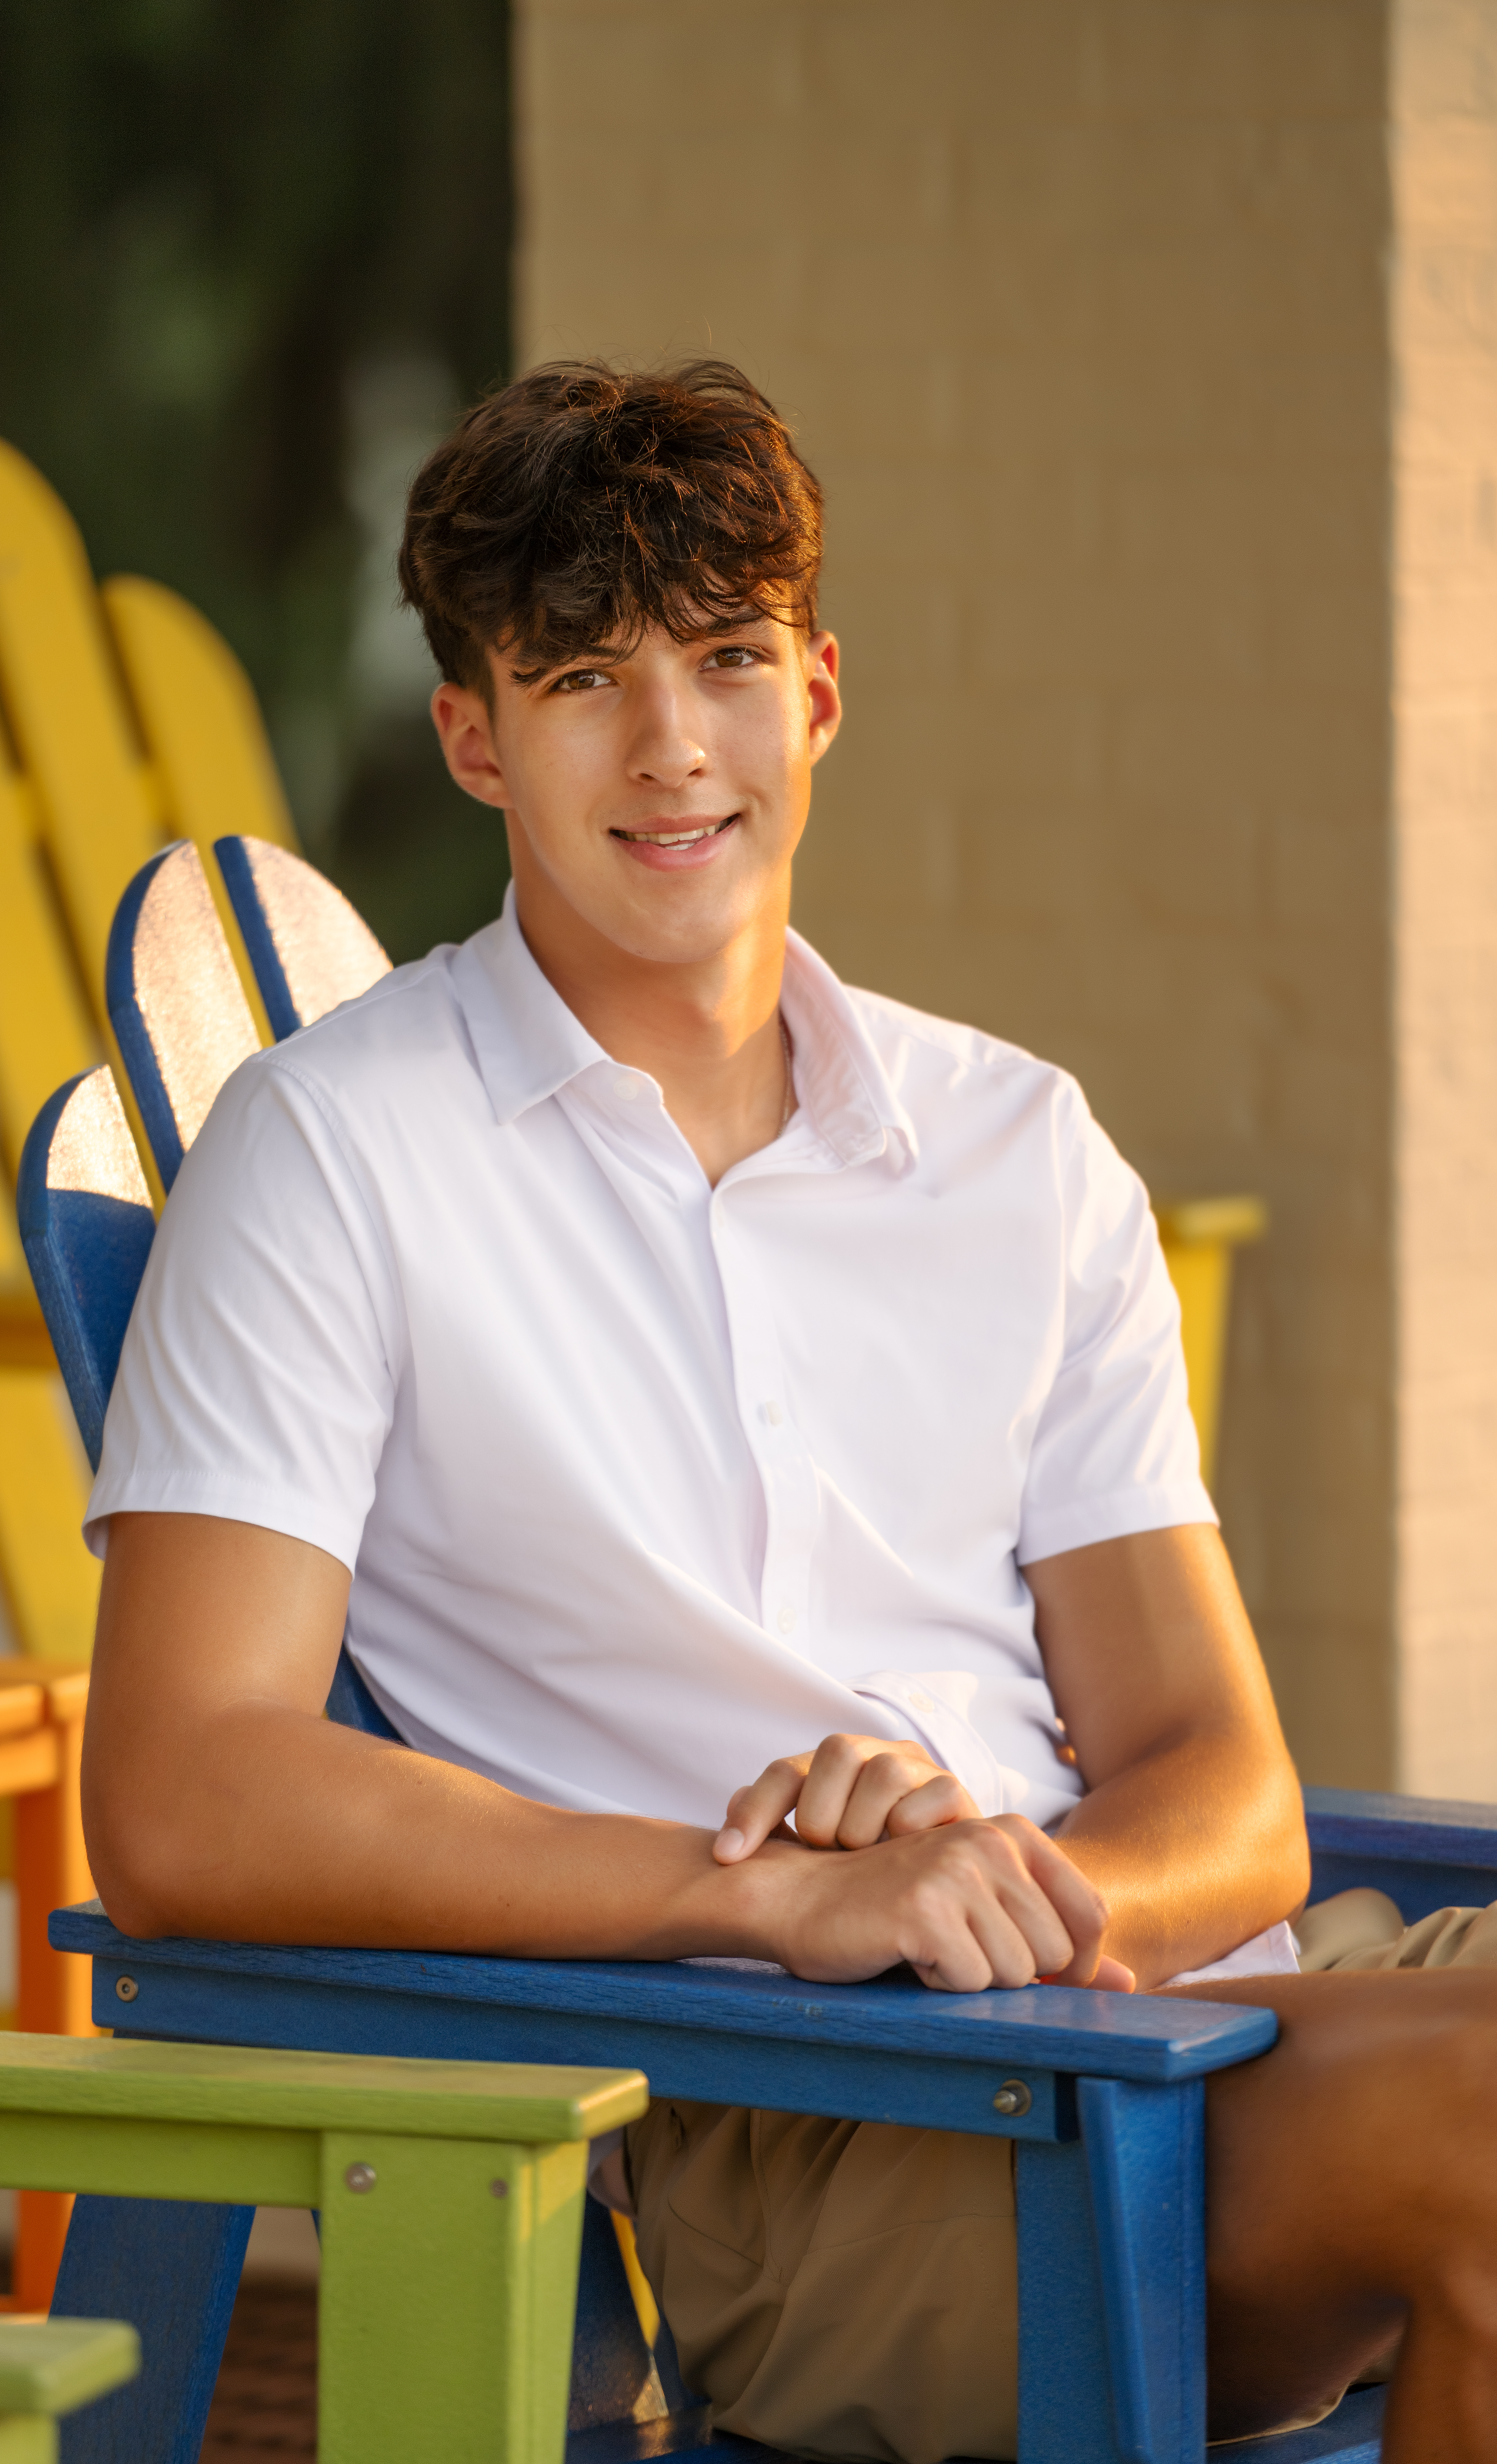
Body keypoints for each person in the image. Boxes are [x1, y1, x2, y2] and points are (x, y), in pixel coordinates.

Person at [81, 360, 1497, 2464]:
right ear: (474, 737)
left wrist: (989, 1904)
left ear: (818, 695)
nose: (672, 745)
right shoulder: (337, 1158)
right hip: (850, 2140)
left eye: (728, 659)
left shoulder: (1018, 1149)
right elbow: (185, 1794)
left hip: (1205, 2010)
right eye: (583, 679)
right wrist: (780, 1899)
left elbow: (1226, 1787)